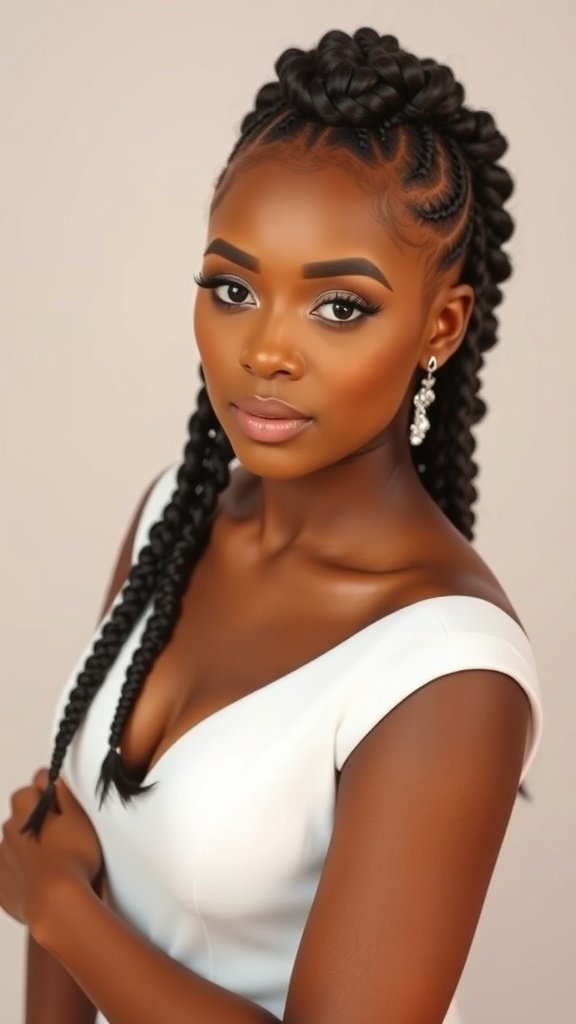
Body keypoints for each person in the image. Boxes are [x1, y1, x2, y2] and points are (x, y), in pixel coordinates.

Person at [0, 26, 543, 1024]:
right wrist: (57, 905)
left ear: (441, 325)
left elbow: (52, 880)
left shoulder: (450, 674)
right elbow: (65, 826)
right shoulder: (171, 514)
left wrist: (62, 912)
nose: (265, 350)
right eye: (235, 289)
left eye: (338, 306)